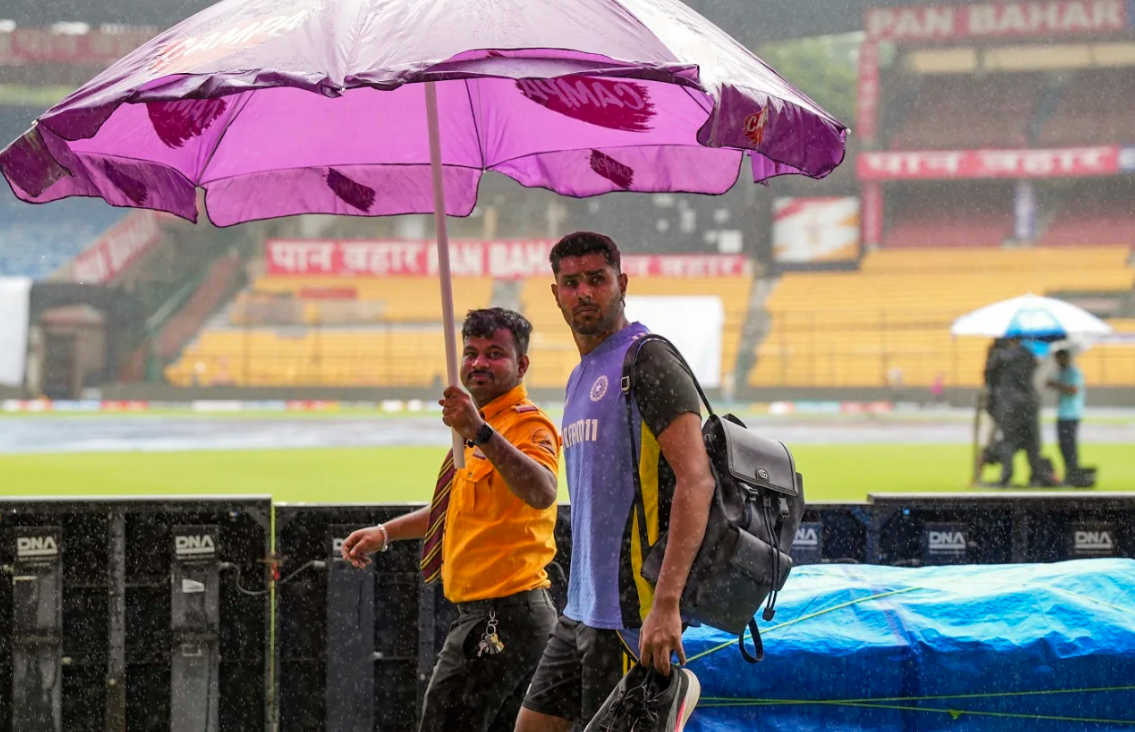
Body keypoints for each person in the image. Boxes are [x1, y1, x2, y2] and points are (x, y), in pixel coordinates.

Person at [515, 232, 713, 731]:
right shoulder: (579, 376)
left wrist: (667, 605)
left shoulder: (647, 359)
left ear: (621, 283)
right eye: (571, 282)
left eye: (597, 280)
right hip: (580, 610)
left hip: (630, 612)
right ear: (555, 293)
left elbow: (697, 481)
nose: (584, 292)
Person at [341, 308, 561, 732]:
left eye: (495, 353)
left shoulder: (524, 425)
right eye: (471, 352)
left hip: (502, 621)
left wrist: (479, 431)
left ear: (522, 364)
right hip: (492, 620)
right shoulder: (480, 427)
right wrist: (386, 533)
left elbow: (542, 491)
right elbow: (452, 509)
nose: (478, 363)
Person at [983, 336, 1046, 487]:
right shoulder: (1029, 355)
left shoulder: (999, 356)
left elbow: (989, 377)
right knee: (1032, 441)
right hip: (1029, 402)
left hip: (1009, 403)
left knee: (1008, 441)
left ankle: (1006, 477)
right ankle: (1036, 476)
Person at [1046, 348, 1085, 484]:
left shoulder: (1074, 372)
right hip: (1063, 414)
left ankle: (1073, 475)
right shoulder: (1061, 372)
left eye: (1059, 358)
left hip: (1071, 414)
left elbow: (1073, 390)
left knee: (1069, 446)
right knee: (1063, 446)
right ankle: (1069, 474)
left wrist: (1057, 385)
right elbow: (1050, 384)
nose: (1058, 362)